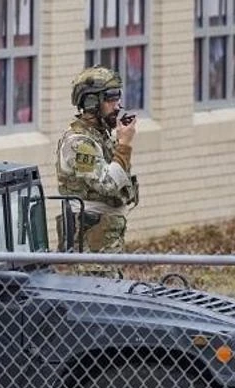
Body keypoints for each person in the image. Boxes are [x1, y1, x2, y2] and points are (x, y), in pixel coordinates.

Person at [54, 65, 139, 277]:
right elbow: (108, 184)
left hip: (105, 241)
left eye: (117, 98)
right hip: (90, 249)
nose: (117, 105)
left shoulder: (99, 136)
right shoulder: (79, 142)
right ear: (92, 102)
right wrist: (124, 145)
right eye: (111, 99)